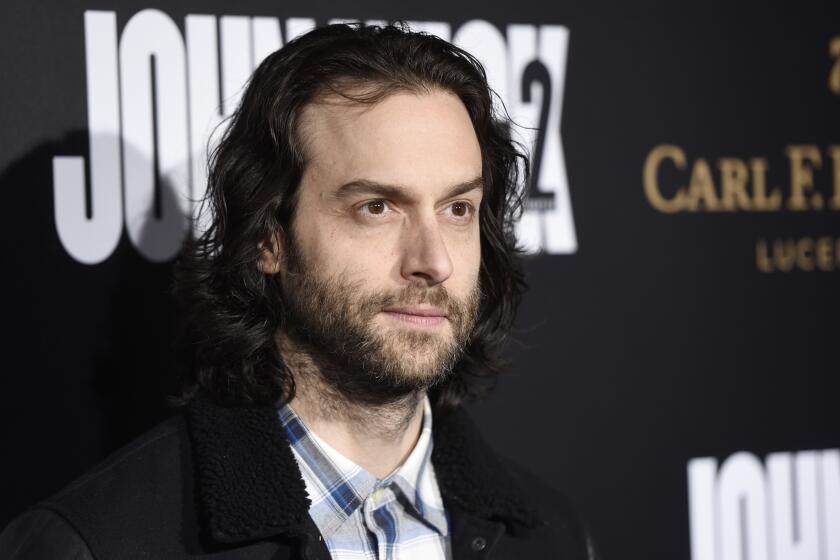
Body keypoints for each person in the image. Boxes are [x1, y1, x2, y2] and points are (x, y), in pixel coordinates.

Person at [0, 23, 597, 559]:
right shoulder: (98, 544)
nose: (433, 261)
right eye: (377, 207)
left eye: (458, 208)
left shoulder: (550, 536)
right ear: (268, 237)